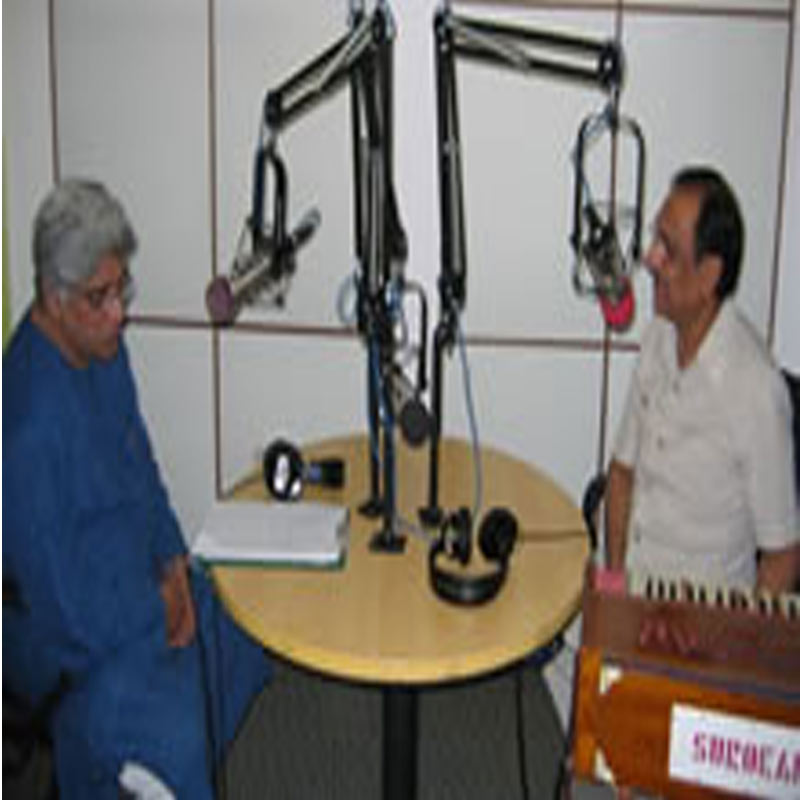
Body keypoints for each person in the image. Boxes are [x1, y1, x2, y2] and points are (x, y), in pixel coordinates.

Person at [3, 179, 272, 798]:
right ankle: (129, 768)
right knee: (178, 732)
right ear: (55, 298)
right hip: (73, 651)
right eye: (102, 297)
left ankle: (153, 771)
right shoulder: (25, 431)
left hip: (143, 583)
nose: (120, 312)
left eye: (121, 287)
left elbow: (142, 468)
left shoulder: (102, 348)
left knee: (245, 624)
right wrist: (161, 608)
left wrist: (175, 562)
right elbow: (63, 611)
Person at [605, 165, 799, 595]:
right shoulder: (660, 334)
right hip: (635, 601)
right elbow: (620, 475)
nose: (649, 258)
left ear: (710, 274)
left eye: (668, 250)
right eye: (655, 239)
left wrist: (739, 650)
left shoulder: (756, 390)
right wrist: (615, 585)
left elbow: (783, 557)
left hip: (703, 631)